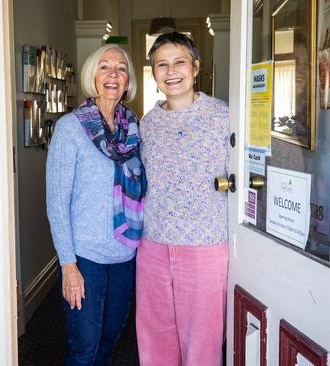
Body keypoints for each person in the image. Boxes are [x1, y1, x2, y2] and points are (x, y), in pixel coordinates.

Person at [46, 44, 146, 366]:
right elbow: (57, 203)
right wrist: (68, 265)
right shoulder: (70, 128)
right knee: (84, 348)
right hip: (84, 258)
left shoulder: (135, 129)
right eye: (104, 67)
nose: (113, 75)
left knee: (109, 340)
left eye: (120, 68)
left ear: (128, 80)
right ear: (93, 75)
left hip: (124, 255)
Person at [136, 32, 230, 366]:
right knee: (155, 342)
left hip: (205, 245)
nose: (171, 71)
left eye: (179, 62)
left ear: (196, 67)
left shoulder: (223, 117)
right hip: (153, 246)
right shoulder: (146, 125)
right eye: (161, 64)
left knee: (202, 346)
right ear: (154, 73)